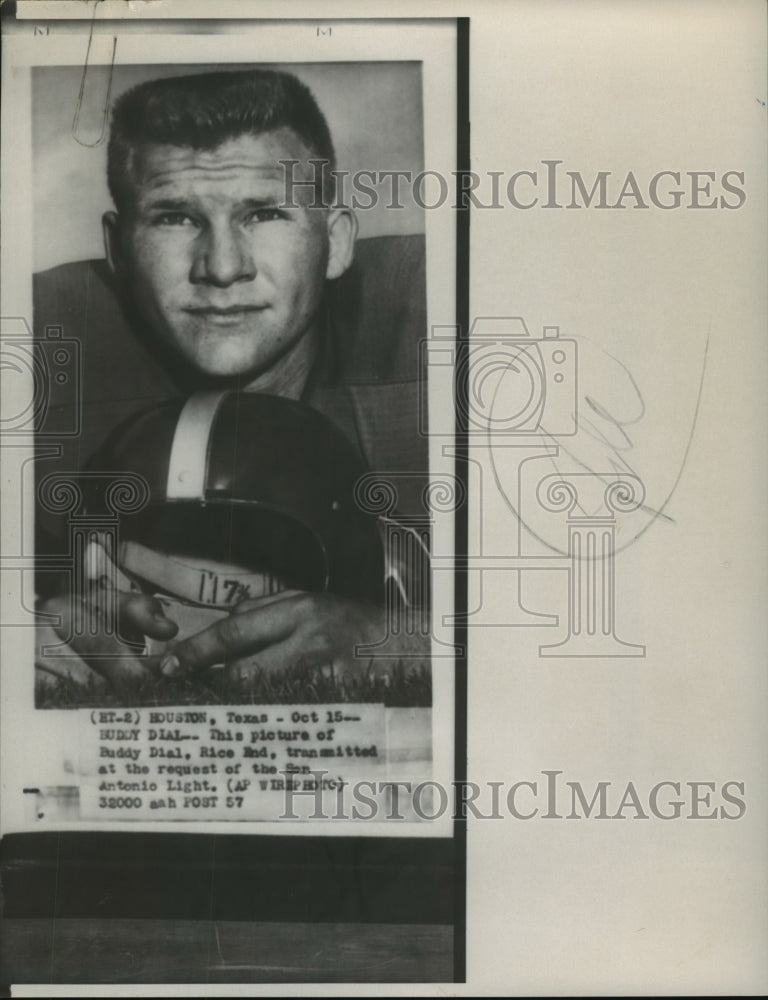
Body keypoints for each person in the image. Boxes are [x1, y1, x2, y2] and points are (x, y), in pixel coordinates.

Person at [34, 68, 430, 695]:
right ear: (116, 249)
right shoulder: (39, 342)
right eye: (174, 218)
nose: (221, 268)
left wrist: (406, 638)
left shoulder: (441, 316)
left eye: (265, 213)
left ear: (336, 239)